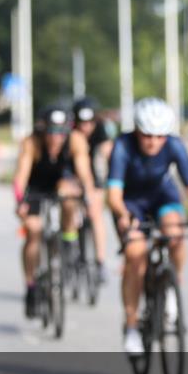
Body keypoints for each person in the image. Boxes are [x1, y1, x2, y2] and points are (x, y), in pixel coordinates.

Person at [107, 97, 188, 355]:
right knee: (135, 255)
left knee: (175, 231)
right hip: (130, 203)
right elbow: (113, 194)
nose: (153, 142)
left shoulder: (174, 144)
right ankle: (132, 325)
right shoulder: (122, 145)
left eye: (159, 136)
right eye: (147, 135)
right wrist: (123, 215)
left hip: (162, 197)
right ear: (137, 131)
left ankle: (172, 284)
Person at [13, 106, 99, 318]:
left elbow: (85, 173)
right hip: (35, 187)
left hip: (61, 183)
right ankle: (31, 285)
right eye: (51, 131)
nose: (55, 137)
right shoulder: (31, 142)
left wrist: (88, 196)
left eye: (61, 132)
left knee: (70, 199)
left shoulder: (76, 140)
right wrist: (20, 201)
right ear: (43, 130)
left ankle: (68, 240)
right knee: (33, 230)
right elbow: (21, 176)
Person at [72, 97, 113, 283]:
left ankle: (100, 260)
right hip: (73, 175)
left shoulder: (101, 130)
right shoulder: (70, 132)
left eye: (90, 122)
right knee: (72, 210)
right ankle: (70, 245)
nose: (86, 127)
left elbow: (107, 155)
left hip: (94, 174)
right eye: (81, 122)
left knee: (95, 213)